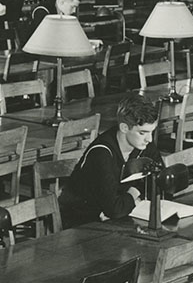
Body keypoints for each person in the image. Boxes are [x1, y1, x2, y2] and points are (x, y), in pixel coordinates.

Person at [59, 94, 162, 228]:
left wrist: (131, 196)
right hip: (80, 225)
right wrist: (134, 194)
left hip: (115, 220)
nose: (149, 139)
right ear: (124, 128)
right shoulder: (101, 154)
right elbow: (115, 209)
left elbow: (159, 184)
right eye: (142, 133)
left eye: (151, 132)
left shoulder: (143, 145)